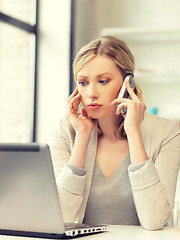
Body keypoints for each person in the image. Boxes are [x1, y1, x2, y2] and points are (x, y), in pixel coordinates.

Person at [50, 36, 180, 231]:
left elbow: (154, 220)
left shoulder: (167, 133)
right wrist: (83, 137)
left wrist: (133, 132)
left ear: (127, 84)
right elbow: (61, 218)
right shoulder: (65, 132)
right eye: (83, 83)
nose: (91, 92)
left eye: (103, 81)